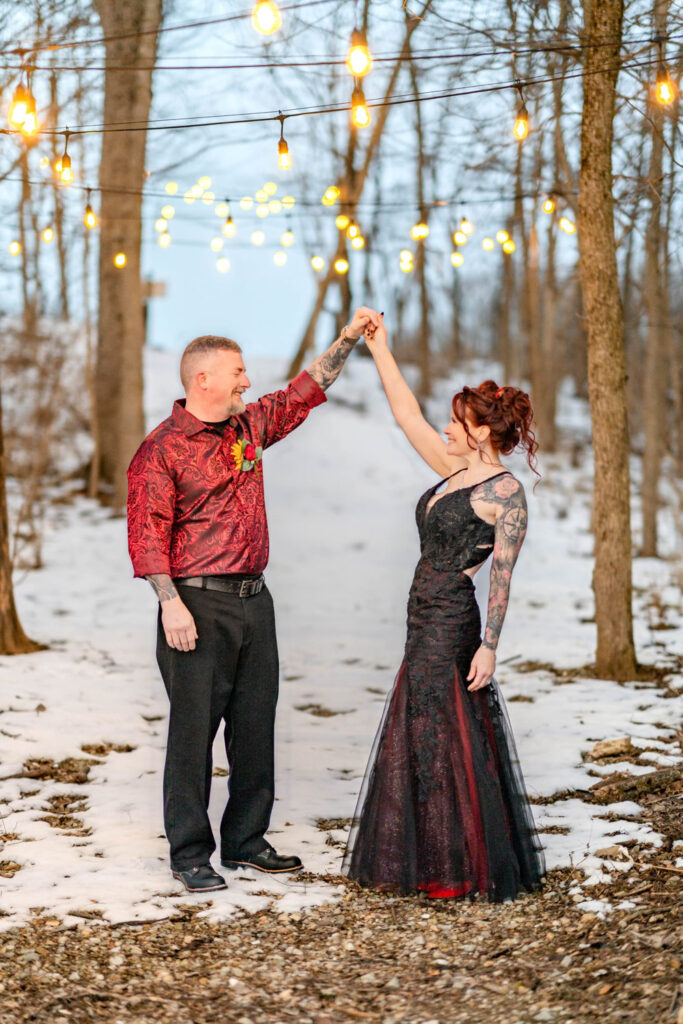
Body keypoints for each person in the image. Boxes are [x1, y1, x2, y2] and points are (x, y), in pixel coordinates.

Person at [127, 308, 380, 893]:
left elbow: (303, 393)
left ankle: (246, 840)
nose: (247, 381)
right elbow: (147, 535)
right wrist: (170, 605)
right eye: (237, 372)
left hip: (253, 601)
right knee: (193, 732)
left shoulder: (248, 428)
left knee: (254, 725)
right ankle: (190, 851)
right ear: (203, 380)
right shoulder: (160, 451)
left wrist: (346, 340)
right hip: (194, 605)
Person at [342, 313, 546, 902]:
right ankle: (433, 852)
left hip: (452, 618)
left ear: (482, 432)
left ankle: (456, 864)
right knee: (426, 726)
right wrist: (379, 349)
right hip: (420, 615)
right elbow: (406, 414)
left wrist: (490, 645)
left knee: (440, 730)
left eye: (458, 424)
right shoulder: (453, 471)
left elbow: (502, 575)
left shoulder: (504, 493)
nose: (448, 430)